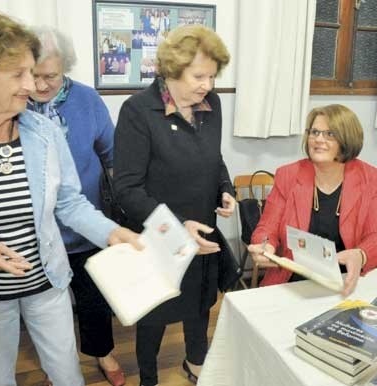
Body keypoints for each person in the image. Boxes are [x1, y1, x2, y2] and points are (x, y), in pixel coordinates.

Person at [0, 13, 140, 386]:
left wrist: (111, 232)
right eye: (19, 74)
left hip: (48, 283)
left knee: (67, 375)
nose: (32, 85)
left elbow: (69, 203)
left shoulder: (44, 132)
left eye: (35, 72)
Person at [113, 25, 235, 386]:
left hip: (202, 225)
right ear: (171, 69)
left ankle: (197, 365)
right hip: (160, 233)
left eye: (212, 76)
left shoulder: (212, 106)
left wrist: (225, 189)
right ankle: (148, 379)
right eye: (199, 75)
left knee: (200, 305)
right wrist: (178, 226)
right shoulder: (138, 111)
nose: (207, 85)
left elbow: (214, 159)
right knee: (154, 316)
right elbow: (127, 189)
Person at [27, 26, 124, 386]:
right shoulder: (17, 104)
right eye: (33, 76)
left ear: (65, 67)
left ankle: (103, 353)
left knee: (93, 298)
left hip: (86, 222)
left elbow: (111, 154)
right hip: (41, 230)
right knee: (49, 306)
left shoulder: (87, 100)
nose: (40, 86)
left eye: (49, 76)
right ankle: (59, 366)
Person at [248, 104, 377, 296]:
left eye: (329, 134)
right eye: (314, 132)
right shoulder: (288, 176)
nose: (318, 139)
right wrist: (265, 244)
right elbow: (267, 227)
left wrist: (361, 254)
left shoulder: (371, 179)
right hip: (294, 280)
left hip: (346, 282)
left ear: (347, 139)